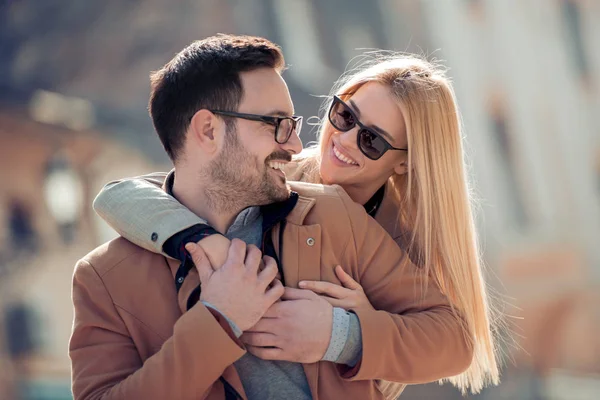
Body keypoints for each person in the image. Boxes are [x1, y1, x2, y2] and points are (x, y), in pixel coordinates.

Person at [73, 34, 475, 400]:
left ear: (404, 164)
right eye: (344, 117)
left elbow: (452, 339)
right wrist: (217, 313)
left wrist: (342, 334)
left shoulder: (338, 215)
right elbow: (128, 193)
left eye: (372, 141)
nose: (302, 143)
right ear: (208, 131)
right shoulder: (103, 279)